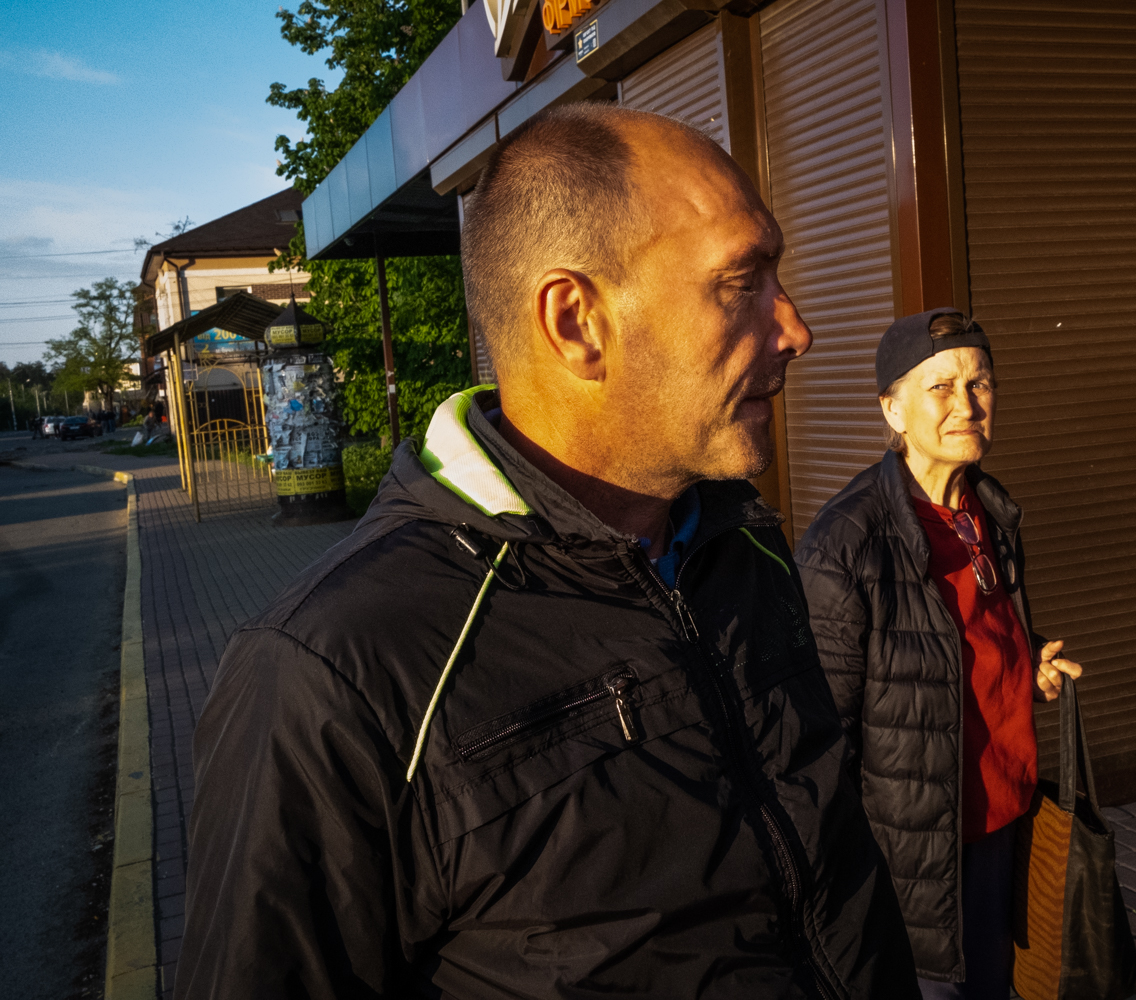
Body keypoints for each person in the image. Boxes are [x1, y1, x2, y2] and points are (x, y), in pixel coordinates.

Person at [179, 104, 919, 999]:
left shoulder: (744, 543)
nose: (796, 329)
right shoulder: (329, 674)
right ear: (575, 322)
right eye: (741, 282)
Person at [793, 309, 1084, 998]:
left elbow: (960, 638)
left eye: (980, 383)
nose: (967, 404)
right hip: (916, 853)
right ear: (892, 408)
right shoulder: (846, 545)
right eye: (942, 387)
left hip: (1000, 815)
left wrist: (1024, 658)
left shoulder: (989, 513)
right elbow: (820, 733)